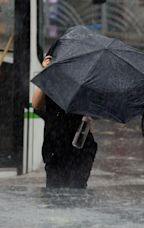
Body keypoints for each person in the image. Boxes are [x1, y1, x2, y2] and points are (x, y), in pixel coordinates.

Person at [32, 50, 97, 189]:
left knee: (76, 192)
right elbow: (36, 104)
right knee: (54, 193)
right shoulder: (51, 79)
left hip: (79, 148)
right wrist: (46, 71)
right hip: (55, 146)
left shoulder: (86, 81)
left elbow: (95, 113)